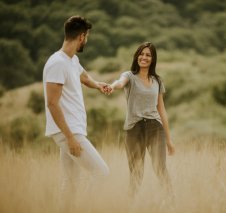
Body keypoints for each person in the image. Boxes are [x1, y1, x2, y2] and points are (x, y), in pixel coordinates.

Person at [43, 15, 110, 211]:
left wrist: (98, 85)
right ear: (82, 36)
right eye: (86, 36)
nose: (86, 40)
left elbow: (82, 75)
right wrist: (70, 137)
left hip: (72, 129)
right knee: (101, 173)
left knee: (71, 182)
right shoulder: (57, 63)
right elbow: (52, 104)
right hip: (68, 131)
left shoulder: (72, 60)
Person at [107, 42, 175, 199]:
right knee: (136, 173)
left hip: (155, 128)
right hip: (134, 128)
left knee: (160, 168)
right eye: (141, 54)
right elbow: (119, 82)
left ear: (153, 59)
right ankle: (131, 206)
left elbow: (162, 110)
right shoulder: (129, 76)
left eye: (148, 55)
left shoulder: (157, 81)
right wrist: (112, 86)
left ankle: (171, 202)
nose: (144, 57)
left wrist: (169, 140)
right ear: (137, 56)